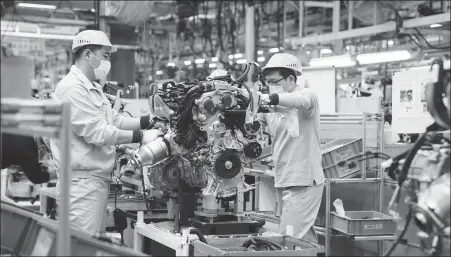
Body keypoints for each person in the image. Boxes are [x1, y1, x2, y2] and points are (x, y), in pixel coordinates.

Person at [50, 30, 160, 235]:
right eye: (106, 56)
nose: (108, 62)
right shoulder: (72, 89)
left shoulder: (92, 87)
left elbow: (115, 120)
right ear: (88, 55)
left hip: (94, 182)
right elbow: (98, 133)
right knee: (80, 247)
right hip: (80, 186)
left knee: (91, 245)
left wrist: (148, 122)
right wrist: (142, 137)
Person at [256, 53, 324, 243]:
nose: (270, 87)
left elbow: (298, 101)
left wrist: (270, 98)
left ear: (291, 79)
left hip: (303, 181)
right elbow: (254, 121)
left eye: (274, 82)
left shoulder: (308, 98)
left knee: (289, 239)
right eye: (267, 82)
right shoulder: (272, 108)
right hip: (283, 178)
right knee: (303, 239)